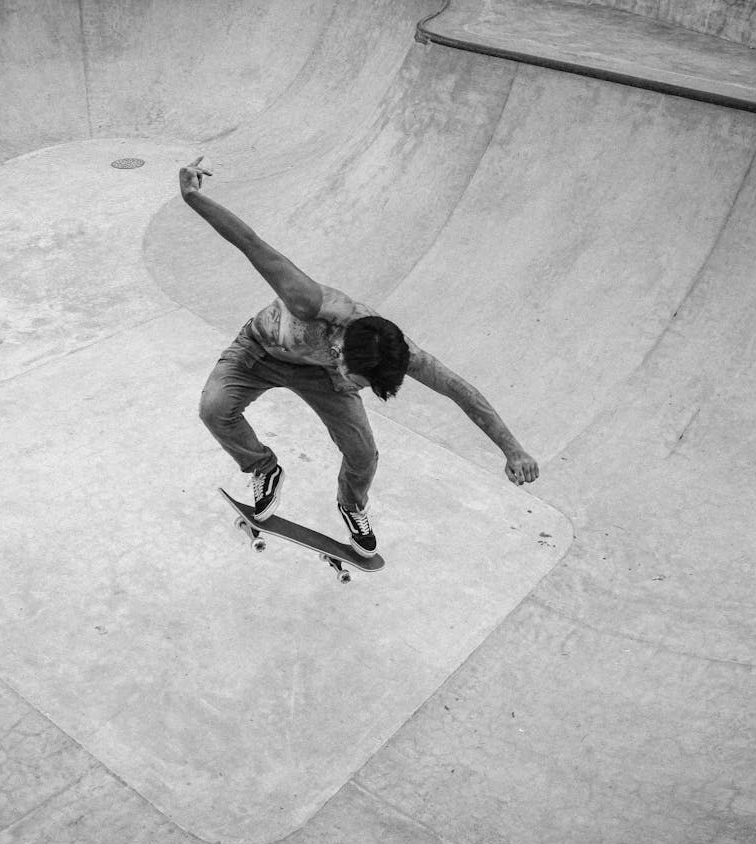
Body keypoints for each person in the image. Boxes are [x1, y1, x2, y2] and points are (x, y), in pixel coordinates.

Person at [183, 157, 538, 557]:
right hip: (260, 351)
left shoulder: (396, 352)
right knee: (214, 408)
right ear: (342, 350)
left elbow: (459, 391)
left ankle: (351, 505)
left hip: (322, 375)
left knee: (363, 454)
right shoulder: (308, 300)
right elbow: (250, 243)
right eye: (360, 382)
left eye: (363, 386)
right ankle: (264, 468)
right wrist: (192, 196)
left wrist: (513, 449)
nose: (360, 389)